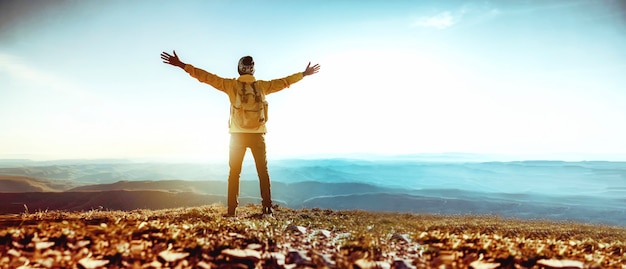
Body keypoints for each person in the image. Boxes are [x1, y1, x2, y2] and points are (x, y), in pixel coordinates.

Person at [160, 50, 320, 216]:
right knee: (263, 172)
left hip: (237, 136)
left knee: (234, 173)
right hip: (258, 135)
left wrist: (182, 65)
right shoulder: (263, 86)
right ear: (253, 70)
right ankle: (267, 208)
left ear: (239, 69)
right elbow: (285, 81)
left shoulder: (231, 85)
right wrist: (303, 74)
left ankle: (231, 211)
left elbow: (205, 77)